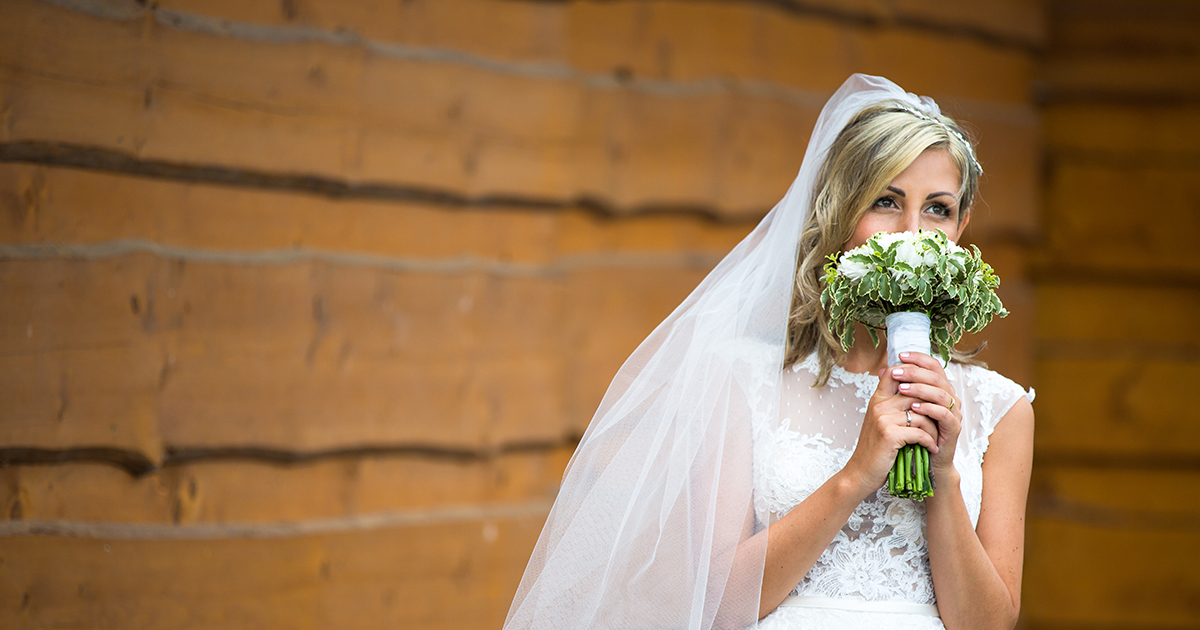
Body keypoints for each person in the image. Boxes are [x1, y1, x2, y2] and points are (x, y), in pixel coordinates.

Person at [503, 74, 1035, 630]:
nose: (910, 233)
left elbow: (989, 625)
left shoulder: (999, 410)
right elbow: (718, 607)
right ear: (839, 212)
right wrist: (855, 475)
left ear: (961, 226)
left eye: (938, 209)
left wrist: (943, 475)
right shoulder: (744, 382)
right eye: (886, 201)